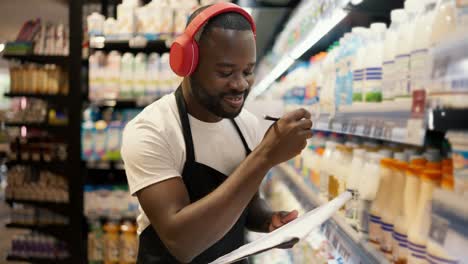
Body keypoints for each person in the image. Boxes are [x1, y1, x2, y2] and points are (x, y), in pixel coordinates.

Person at [121, 2, 313, 263]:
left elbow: (246, 199)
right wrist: (266, 155)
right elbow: (182, 242)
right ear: (188, 64)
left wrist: (268, 220)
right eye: (225, 72)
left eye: (248, 71)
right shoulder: (152, 130)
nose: (240, 84)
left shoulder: (245, 123)